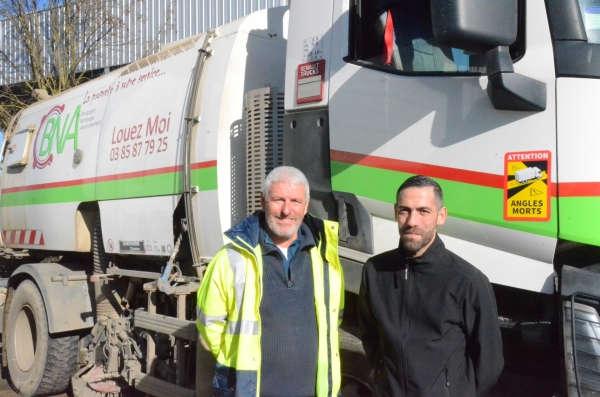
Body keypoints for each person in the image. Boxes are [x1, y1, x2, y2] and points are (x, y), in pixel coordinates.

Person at [196, 166, 344, 397]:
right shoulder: (232, 258)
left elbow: (335, 317)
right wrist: (238, 361)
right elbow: (209, 324)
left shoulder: (325, 257)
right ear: (263, 202)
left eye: (295, 201)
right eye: (278, 200)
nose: (286, 210)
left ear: (306, 206)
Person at [358, 175, 503, 397]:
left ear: (441, 216)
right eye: (405, 210)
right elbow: (370, 335)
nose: (412, 221)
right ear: (395, 211)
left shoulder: (467, 281)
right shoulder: (375, 270)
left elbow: (489, 363)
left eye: (423, 211)